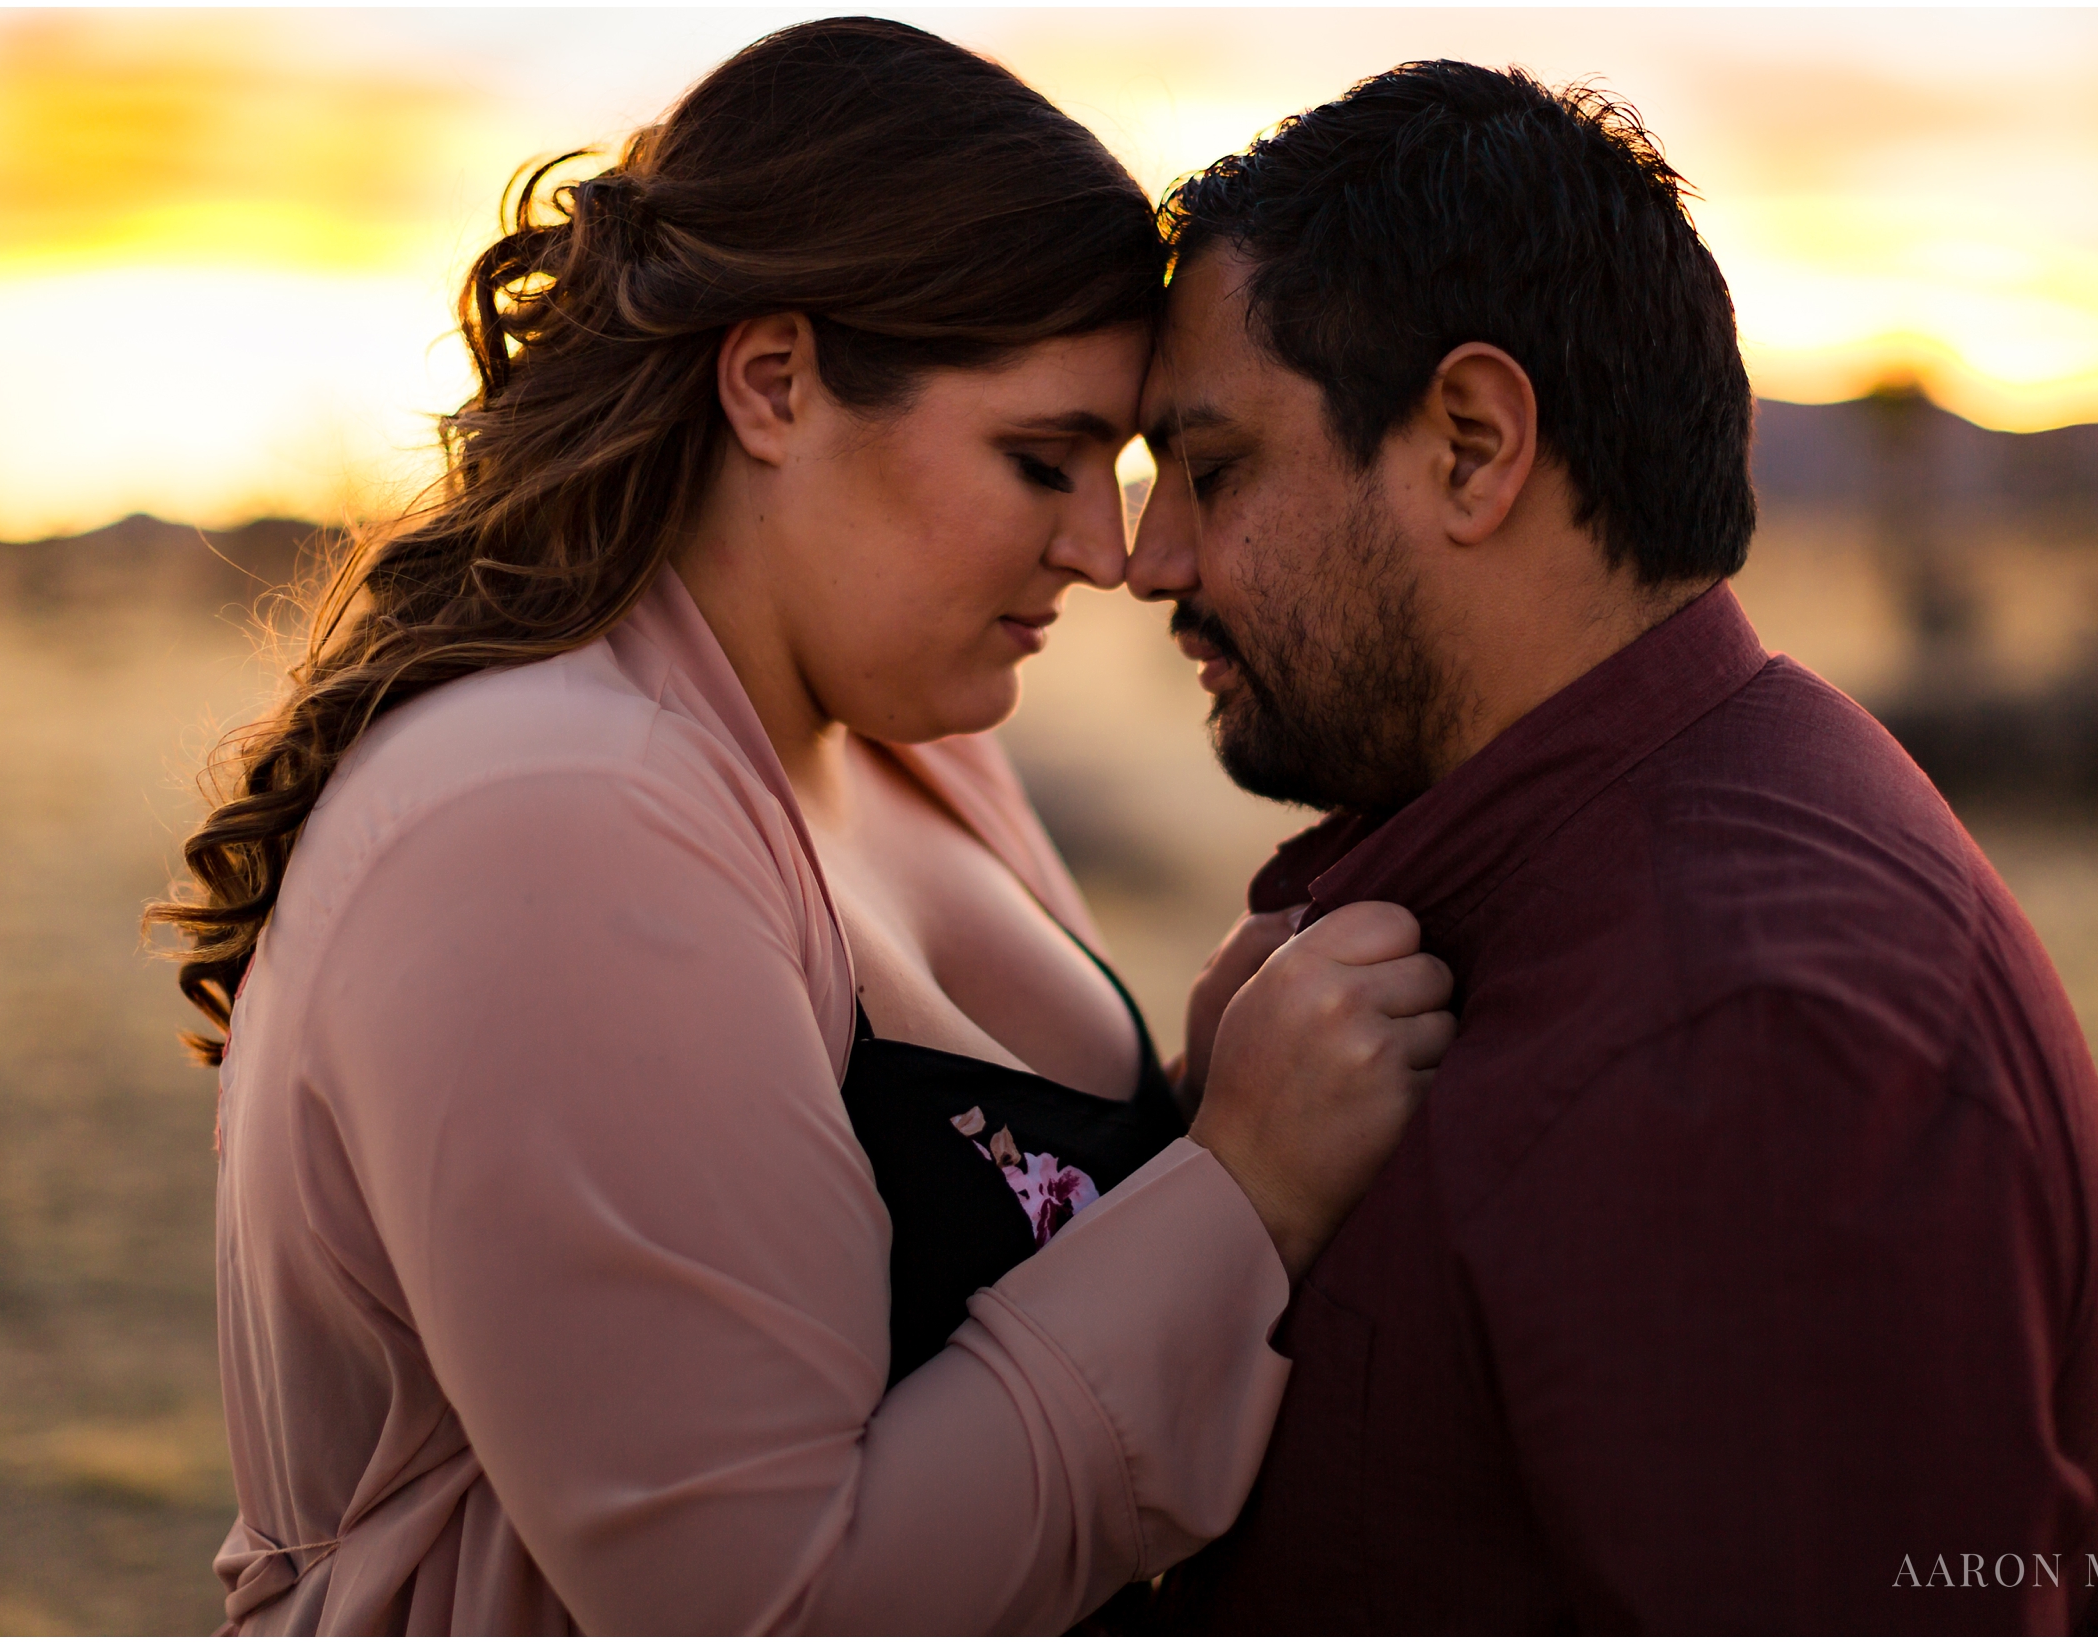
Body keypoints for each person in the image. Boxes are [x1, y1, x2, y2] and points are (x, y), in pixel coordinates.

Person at [145, 19, 1455, 1634]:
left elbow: (993, 1268)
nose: (1108, 554)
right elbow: (768, 1603)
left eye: (1110, 467)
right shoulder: (550, 822)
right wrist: (1244, 1189)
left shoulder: (906, 741)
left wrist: (1208, 1097)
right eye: (1039, 459)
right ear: (773, 384)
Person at [1128, 61, 2098, 1633]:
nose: (1148, 560)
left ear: (1471, 445)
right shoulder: (1598, 879)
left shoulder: (1741, 1047)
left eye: (1212, 468)